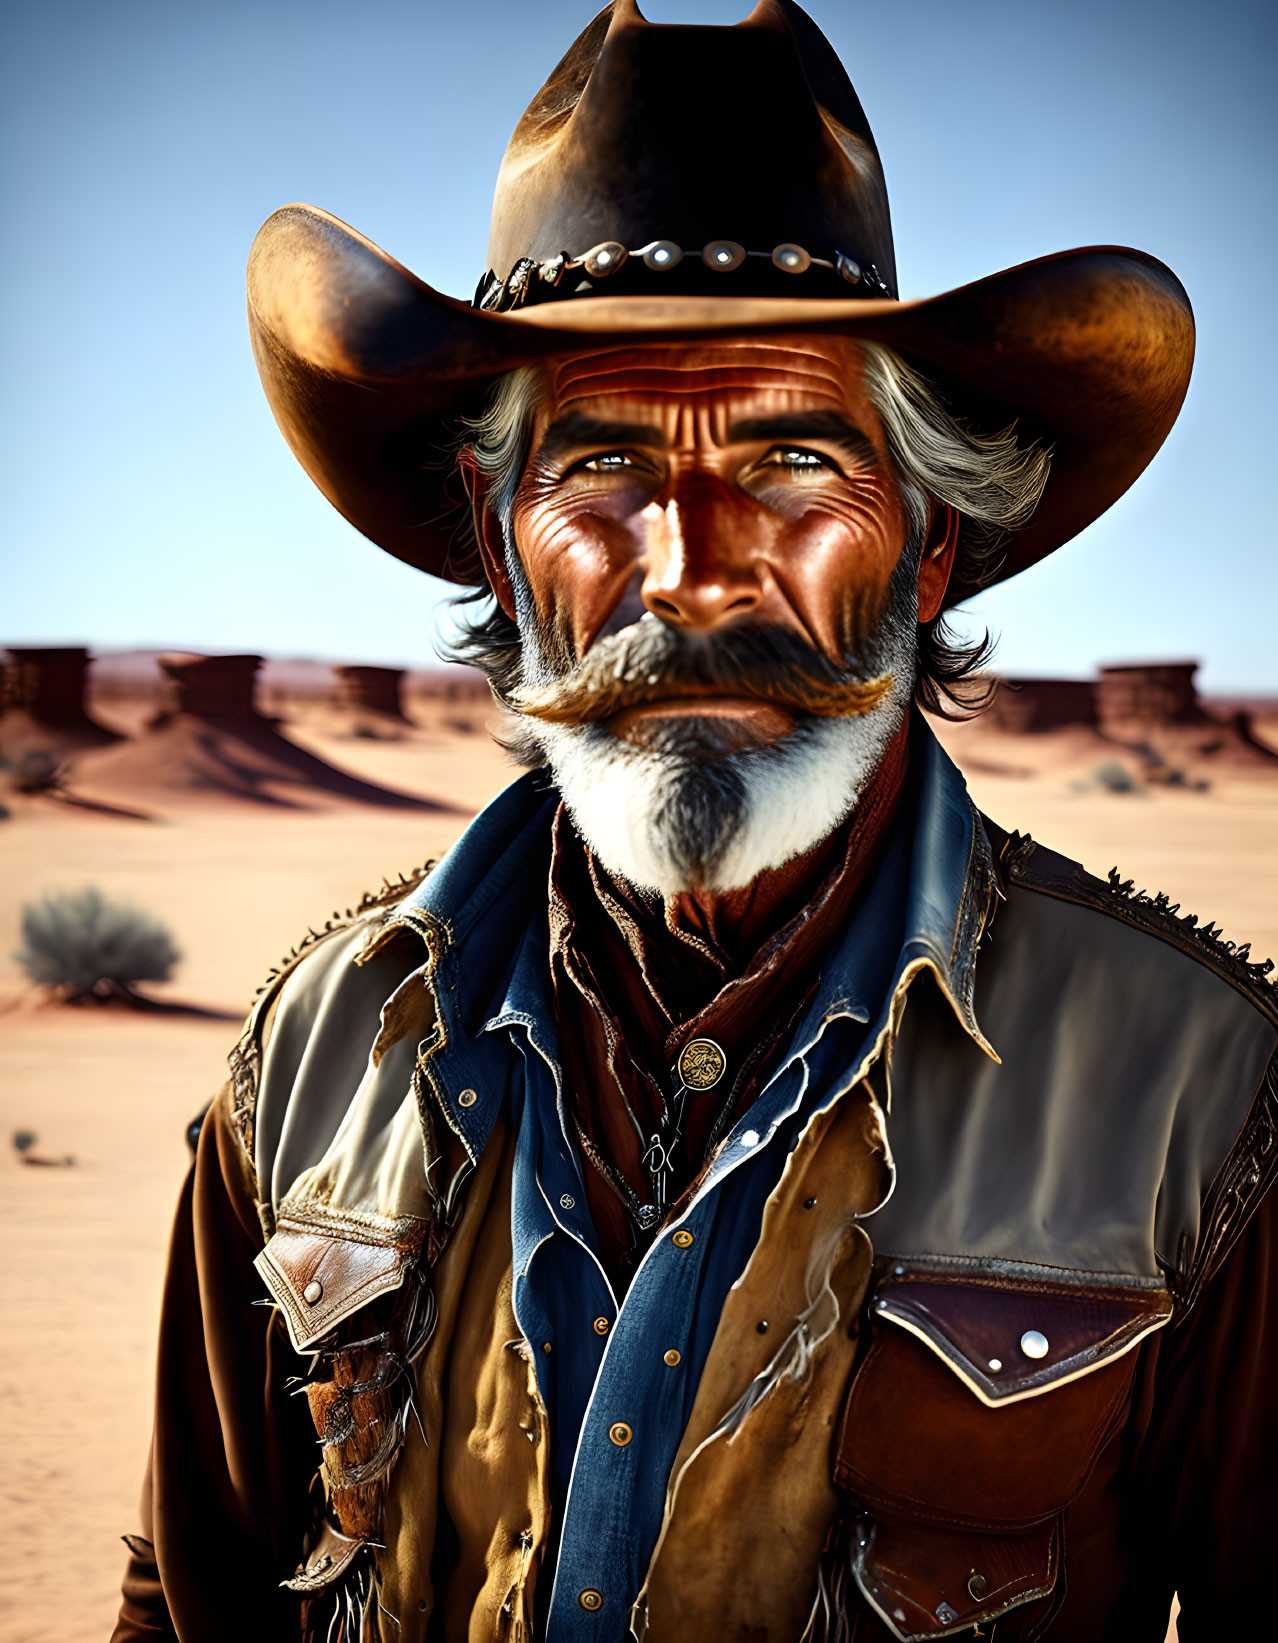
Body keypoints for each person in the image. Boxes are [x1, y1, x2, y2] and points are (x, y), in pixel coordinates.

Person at [113, 3, 1276, 1639]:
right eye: (597, 470)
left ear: (929, 546)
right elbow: (192, 1599)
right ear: (497, 542)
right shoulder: (313, 1052)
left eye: (794, 463)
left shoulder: (1197, 1086)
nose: (689, 569)